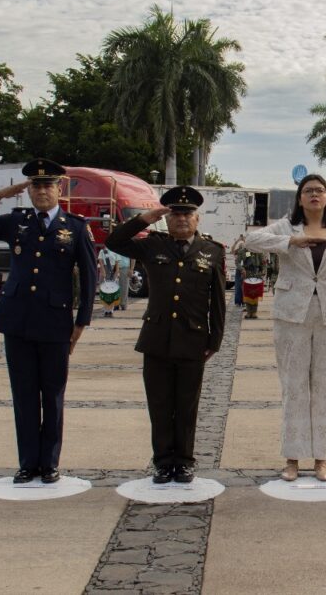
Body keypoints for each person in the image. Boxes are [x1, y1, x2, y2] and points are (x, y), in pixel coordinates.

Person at [0, 158, 96, 485]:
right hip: (17, 320)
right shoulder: (16, 222)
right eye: (35, 185)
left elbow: (90, 277)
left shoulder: (75, 227)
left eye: (48, 185)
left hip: (54, 322)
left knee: (52, 395)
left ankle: (49, 463)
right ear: (29, 190)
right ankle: (27, 463)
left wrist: (82, 322)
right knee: (23, 396)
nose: (41, 191)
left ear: (59, 188)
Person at [245, 174, 326, 482]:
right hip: (291, 317)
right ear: (300, 198)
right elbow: (251, 241)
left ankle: (321, 458)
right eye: (308, 190)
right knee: (294, 386)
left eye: (320, 191)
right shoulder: (287, 227)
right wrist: (289, 242)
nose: (314, 195)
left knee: (324, 388)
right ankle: (292, 458)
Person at [106, 186, 226, 485]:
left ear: (197, 219)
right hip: (157, 338)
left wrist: (215, 340)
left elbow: (218, 301)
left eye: (187, 214)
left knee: (186, 406)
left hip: (193, 339)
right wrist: (146, 218)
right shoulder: (153, 245)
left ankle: (184, 461)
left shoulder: (213, 251)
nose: (181, 219)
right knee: (159, 404)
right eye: (175, 214)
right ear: (167, 218)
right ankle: (162, 462)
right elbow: (114, 240)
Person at [97, 246, 121, 317]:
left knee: (112, 293)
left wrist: (117, 272)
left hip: (113, 272)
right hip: (104, 272)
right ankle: (106, 310)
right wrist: (103, 272)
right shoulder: (102, 251)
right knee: (105, 293)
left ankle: (111, 310)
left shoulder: (116, 251)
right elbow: (100, 262)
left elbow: (117, 264)